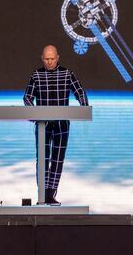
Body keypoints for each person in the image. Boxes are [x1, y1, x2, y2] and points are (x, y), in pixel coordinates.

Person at [23, 45, 88, 206]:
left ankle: (51, 194)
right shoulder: (36, 75)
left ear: (58, 57)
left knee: (58, 160)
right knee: (42, 160)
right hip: (42, 125)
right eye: (46, 59)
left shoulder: (67, 74)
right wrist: (32, 112)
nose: (50, 62)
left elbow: (79, 91)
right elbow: (27, 97)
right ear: (42, 58)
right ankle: (43, 195)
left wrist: (84, 106)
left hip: (62, 125)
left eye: (52, 59)